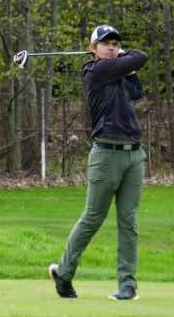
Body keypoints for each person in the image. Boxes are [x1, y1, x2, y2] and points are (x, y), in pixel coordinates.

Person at [49, 24, 149, 301]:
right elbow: (141, 57)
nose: (112, 48)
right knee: (93, 217)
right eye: (106, 44)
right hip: (106, 155)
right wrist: (126, 57)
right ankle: (64, 274)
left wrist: (126, 66)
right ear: (93, 49)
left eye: (115, 44)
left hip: (134, 155)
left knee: (128, 222)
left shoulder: (116, 73)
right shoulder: (96, 70)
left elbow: (137, 91)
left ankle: (128, 285)